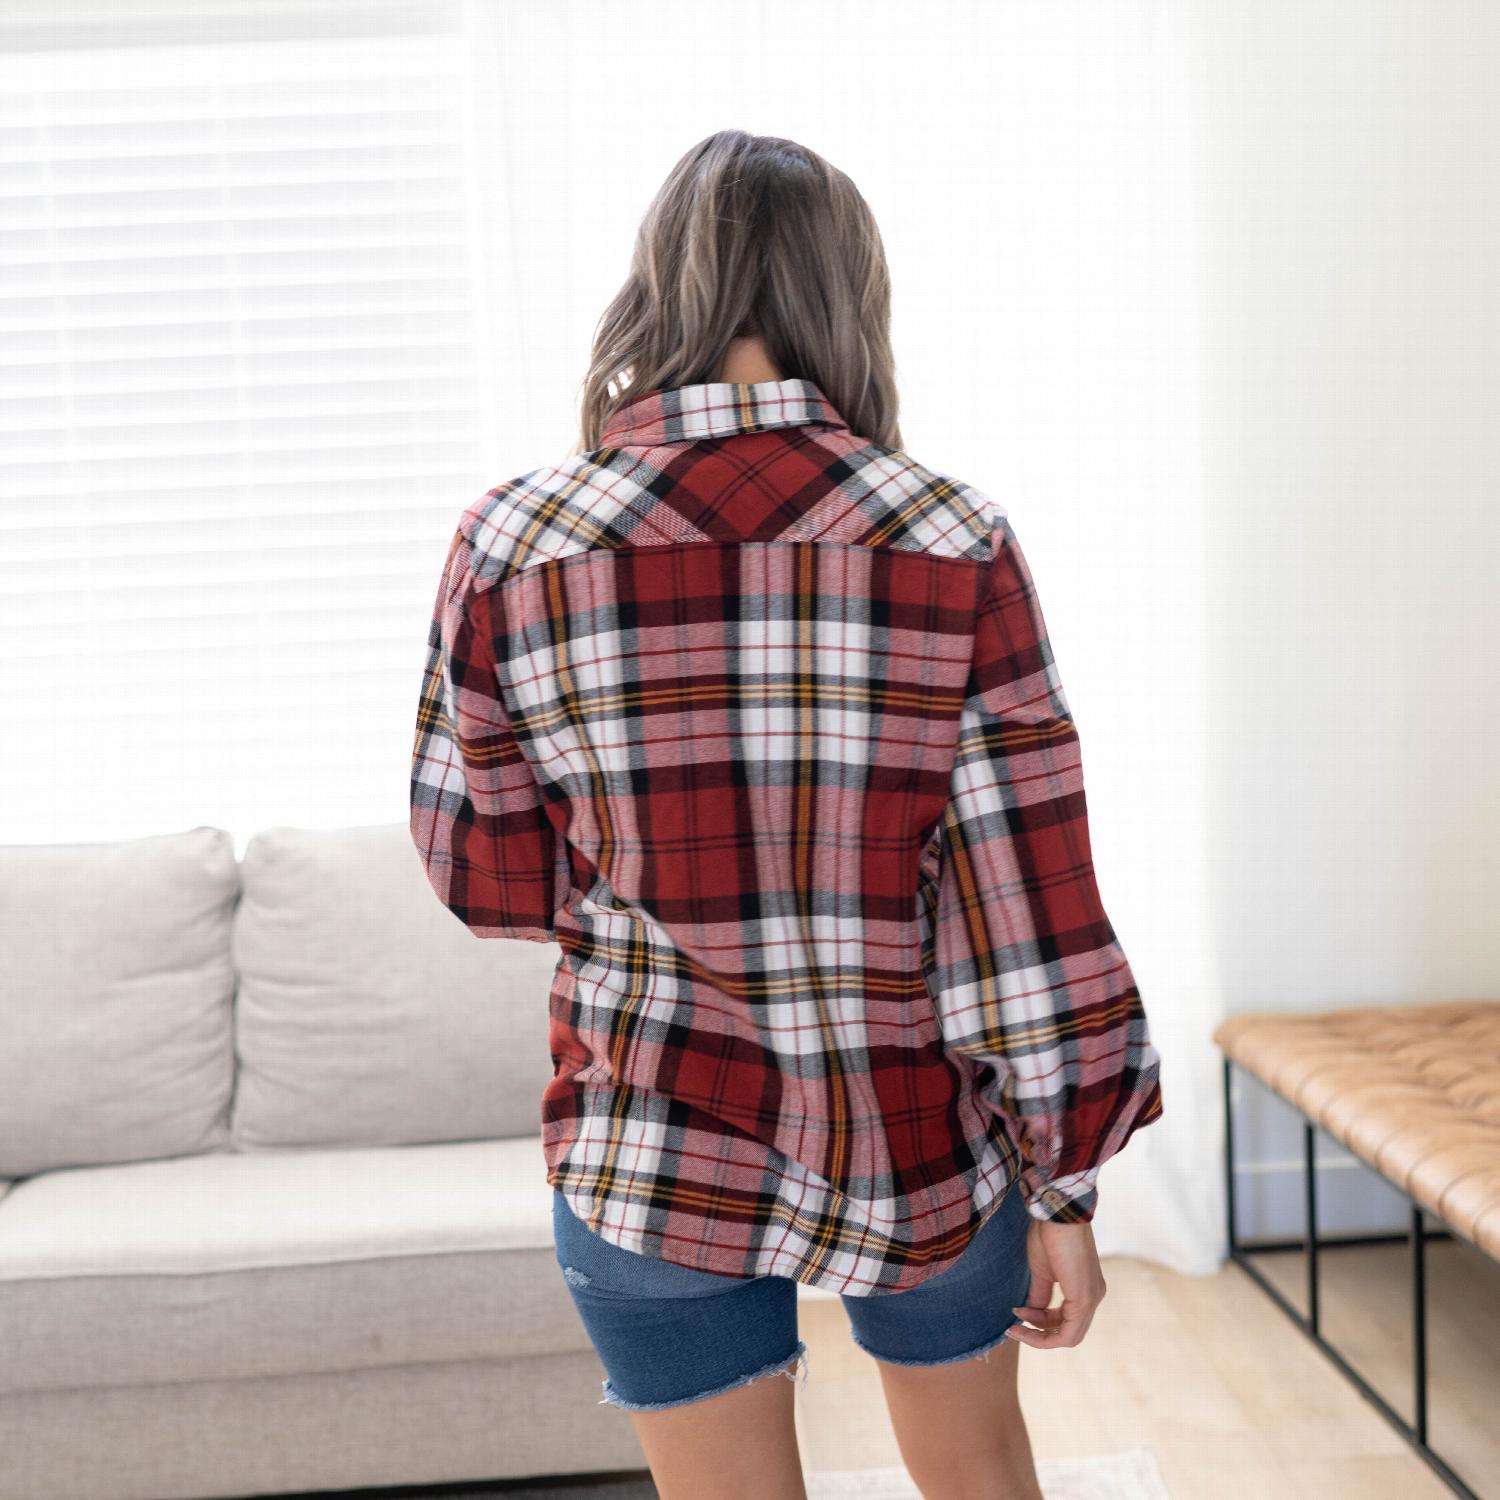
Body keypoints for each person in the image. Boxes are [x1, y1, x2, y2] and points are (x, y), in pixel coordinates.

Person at [410, 128, 1164, 1500]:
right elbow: (1031, 914)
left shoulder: (512, 540)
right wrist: (1066, 1187)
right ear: (847, 293)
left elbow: (488, 880)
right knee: (982, 1479)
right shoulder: (952, 537)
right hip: (919, 1133)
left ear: (660, 288)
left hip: (649, 1139)